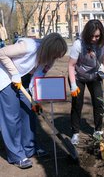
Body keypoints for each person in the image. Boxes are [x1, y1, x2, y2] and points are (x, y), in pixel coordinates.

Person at [0, 33, 68, 169]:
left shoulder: (48, 58)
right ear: (49, 49)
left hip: (23, 79)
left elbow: (38, 76)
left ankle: (29, 148)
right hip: (6, 76)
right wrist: (14, 74)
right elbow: (1, 53)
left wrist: (35, 100)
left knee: (29, 112)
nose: (54, 59)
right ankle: (16, 155)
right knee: (12, 117)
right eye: (54, 55)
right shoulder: (28, 47)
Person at [68, 19, 104, 145]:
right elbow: (71, 66)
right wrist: (72, 85)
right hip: (78, 76)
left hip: (94, 75)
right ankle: (75, 132)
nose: (94, 39)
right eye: (92, 36)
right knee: (77, 103)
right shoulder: (78, 44)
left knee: (99, 102)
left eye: (97, 36)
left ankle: (98, 131)